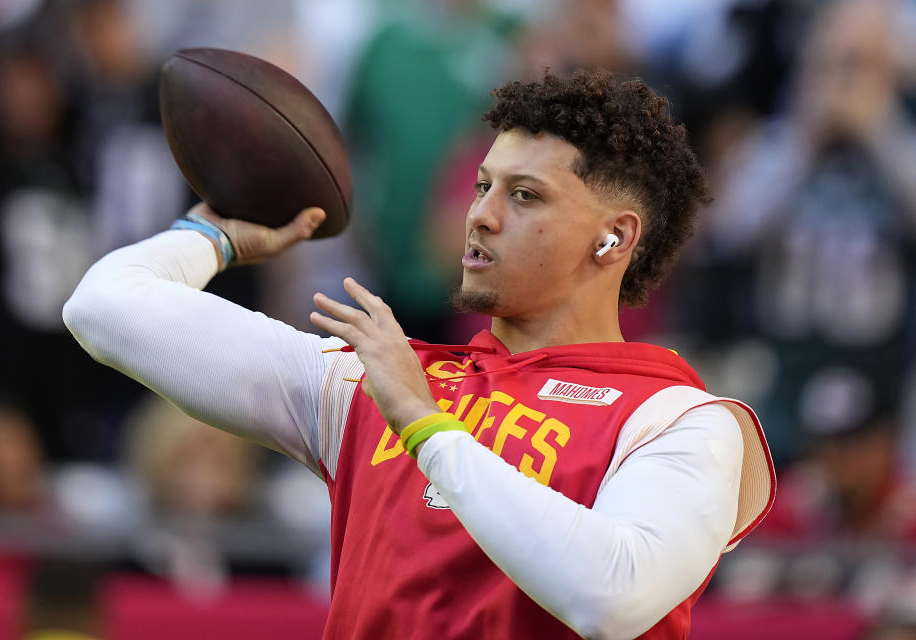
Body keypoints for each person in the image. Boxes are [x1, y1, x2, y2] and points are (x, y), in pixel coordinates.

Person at [63, 69, 775, 639]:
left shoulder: (681, 420)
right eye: (482, 185)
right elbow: (104, 308)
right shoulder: (379, 382)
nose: (481, 215)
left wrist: (425, 425)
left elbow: (610, 601)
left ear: (614, 238)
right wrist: (214, 237)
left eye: (525, 196)